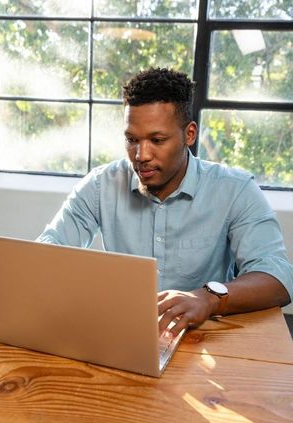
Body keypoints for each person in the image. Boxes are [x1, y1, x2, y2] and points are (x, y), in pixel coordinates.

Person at [38, 67, 293, 336]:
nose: (141, 155)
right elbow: (44, 256)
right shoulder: (101, 185)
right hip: (122, 335)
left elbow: (278, 279)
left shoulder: (235, 189)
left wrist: (207, 298)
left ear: (189, 135)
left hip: (204, 341)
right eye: (131, 139)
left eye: (157, 140)